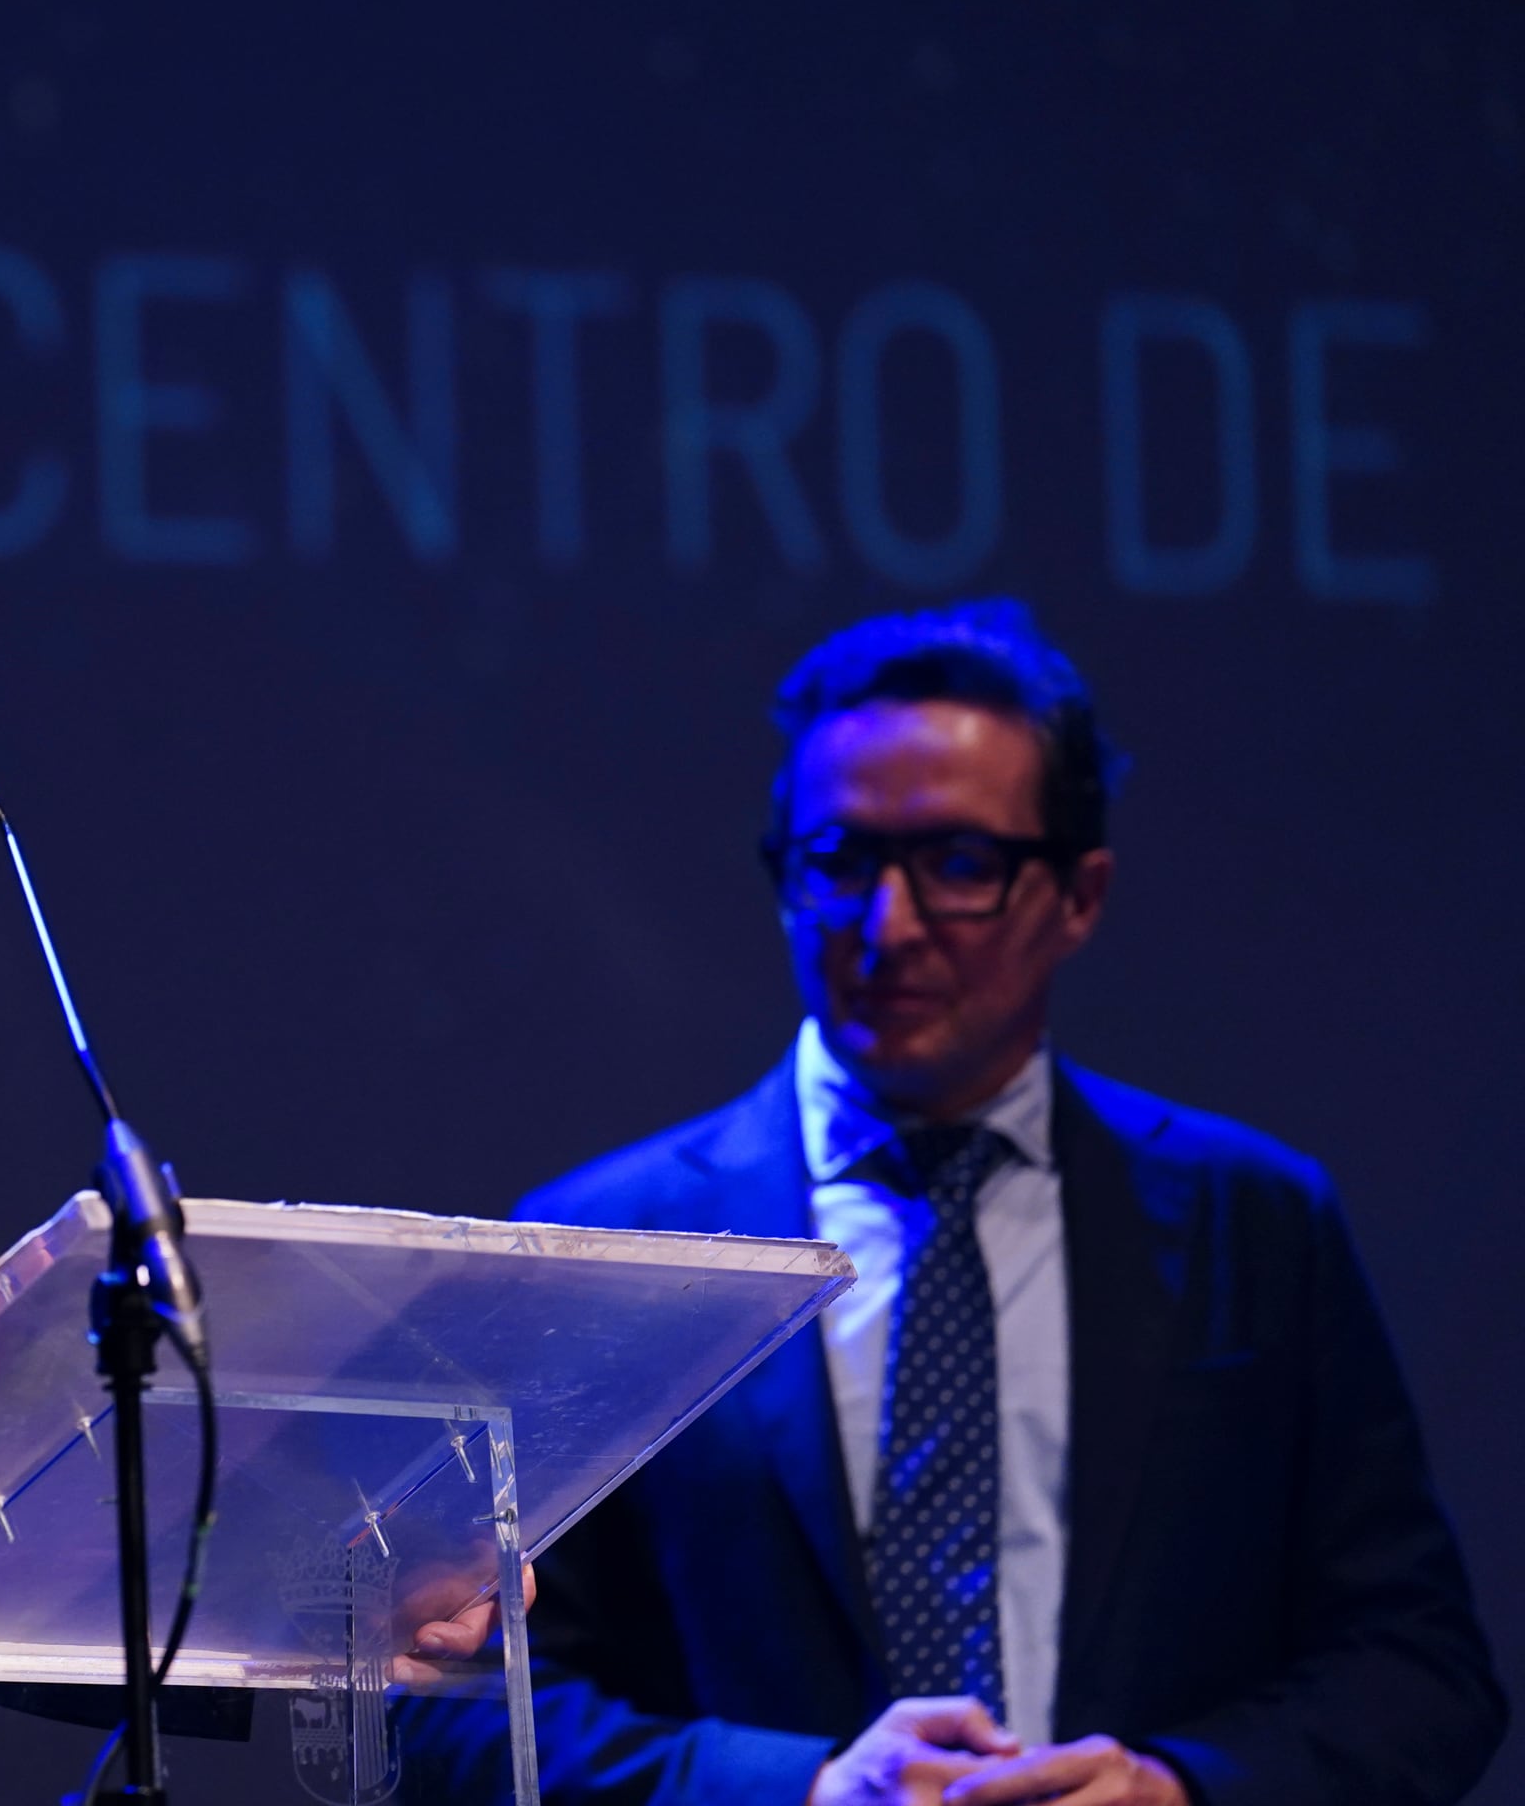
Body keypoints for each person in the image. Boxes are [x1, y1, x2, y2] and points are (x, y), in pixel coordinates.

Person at [399, 601, 1505, 1806]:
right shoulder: (608, 1240)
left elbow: (1421, 1669)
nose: (891, 925)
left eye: (961, 865)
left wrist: (1177, 1789)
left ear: (1079, 894)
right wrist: (803, 1793)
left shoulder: (1253, 1218)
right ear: (782, 879)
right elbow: (451, 1701)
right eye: (842, 861)